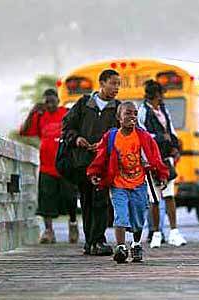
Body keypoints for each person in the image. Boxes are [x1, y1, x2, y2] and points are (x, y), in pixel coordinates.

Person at [87, 102, 169, 263]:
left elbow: (155, 157)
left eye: (135, 113)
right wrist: (94, 173)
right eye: (127, 113)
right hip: (118, 184)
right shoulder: (111, 137)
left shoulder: (143, 136)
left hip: (139, 184)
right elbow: (101, 156)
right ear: (118, 117)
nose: (132, 117)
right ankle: (121, 247)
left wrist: (162, 174)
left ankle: (136, 244)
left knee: (138, 218)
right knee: (121, 216)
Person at [62, 69, 121, 255]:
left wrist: (106, 144)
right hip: (83, 162)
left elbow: (121, 133)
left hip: (104, 163)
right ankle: (90, 242)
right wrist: (77, 139)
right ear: (102, 83)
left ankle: (98, 240)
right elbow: (67, 127)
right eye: (113, 83)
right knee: (87, 201)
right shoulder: (83, 104)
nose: (116, 88)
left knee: (101, 201)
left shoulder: (118, 107)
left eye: (118, 84)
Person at [20, 89, 79, 244]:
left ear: (58, 101)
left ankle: (73, 225)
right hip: (47, 166)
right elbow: (24, 132)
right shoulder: (40, 116)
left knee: (70, 197)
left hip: (65, 164)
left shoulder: (66, 113)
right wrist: (33, 112)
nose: (50, 105)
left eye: (52, 101)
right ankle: (48, 231)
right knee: (46, 199)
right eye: (47, 102)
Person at [138, 80, 187, 248]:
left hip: (166, 157)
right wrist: (160, 137)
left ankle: (174, 232)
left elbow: (171, 130)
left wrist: (174, 146)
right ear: (154, 95)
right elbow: (142, 134)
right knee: (154, 198)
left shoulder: (163, 109)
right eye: (160, 96)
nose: (162, 99)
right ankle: (156, 233)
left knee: (169, 195)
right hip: (152, 158)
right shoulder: (143, 112)